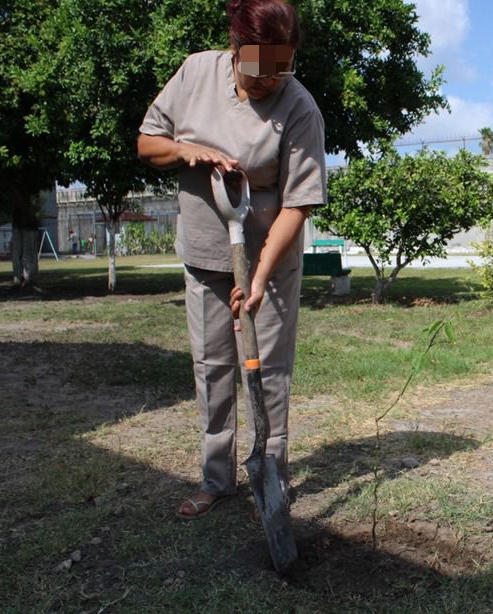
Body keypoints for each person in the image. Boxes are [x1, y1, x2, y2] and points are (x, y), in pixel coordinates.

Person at [137, 0, 326, 520]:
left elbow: (299, 202)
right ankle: (216, 479)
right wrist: (185, 152)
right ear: (234, 45)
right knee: (213, 368)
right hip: (203, 254)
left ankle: (273, 476)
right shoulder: (196, 72)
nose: (268, 80)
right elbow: (147, 142)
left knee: (269, 373)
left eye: (281, 68)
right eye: (256, 67)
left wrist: (260, 276)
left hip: (269, 260)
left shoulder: (300, 107)